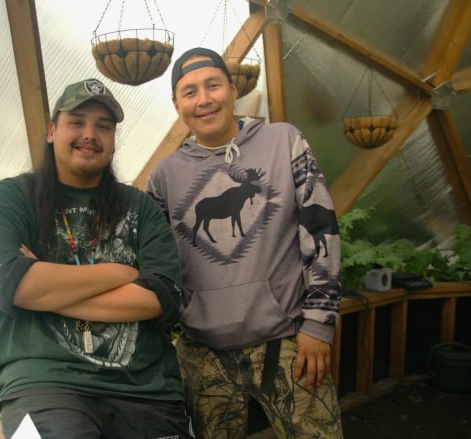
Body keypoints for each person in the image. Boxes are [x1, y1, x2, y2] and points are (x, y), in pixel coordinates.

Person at [0, 78, 194, 438]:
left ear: (112, 139)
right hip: (42, 384)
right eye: (76, 122)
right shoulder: (13, 198)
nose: (90, 134)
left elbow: (160, 297)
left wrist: (47, 291)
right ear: (52, 131)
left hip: (145, 390)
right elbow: (13, 286)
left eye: (103, 126)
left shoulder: (140, 207)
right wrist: (120, 272)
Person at [146, 47, 343, 438]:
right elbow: (155, 259)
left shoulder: (284, 140)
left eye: (213, 85)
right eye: (189, 92)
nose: (203, 100)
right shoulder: (164, 176)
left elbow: (320, 226)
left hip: (287, 341)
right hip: (203, 352)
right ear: (176, 104)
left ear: (232, 89)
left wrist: (320, 323)